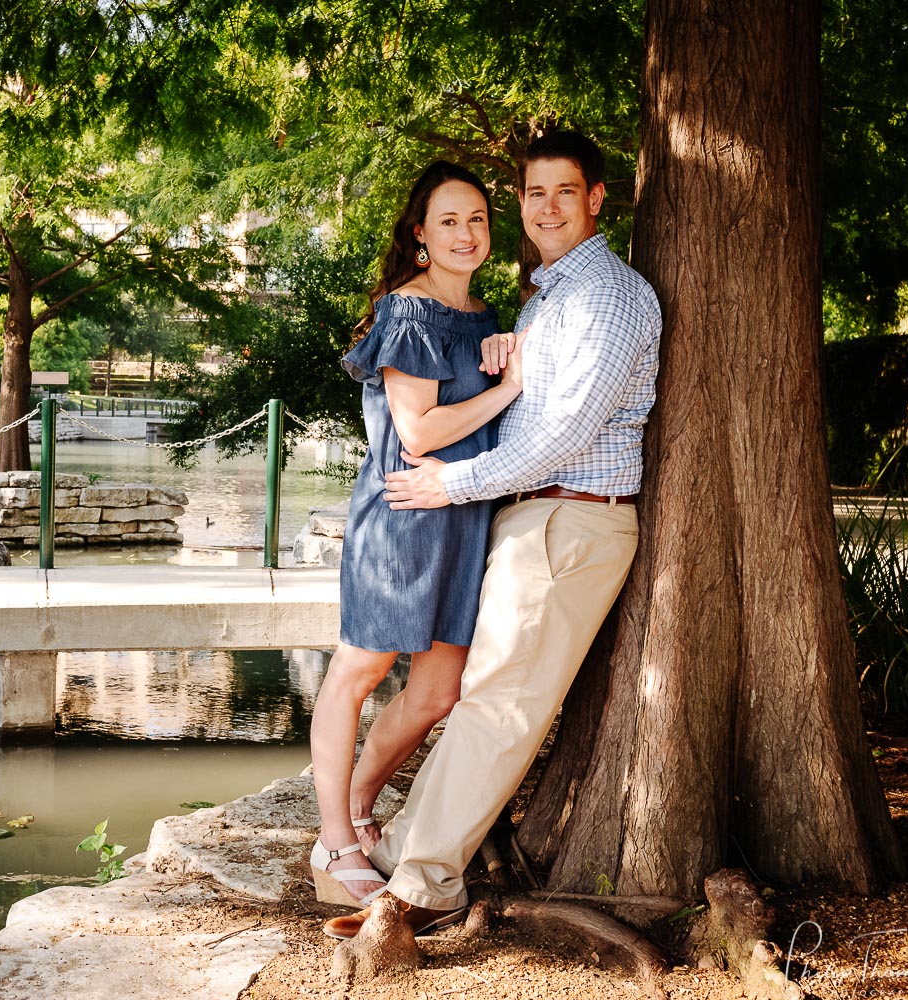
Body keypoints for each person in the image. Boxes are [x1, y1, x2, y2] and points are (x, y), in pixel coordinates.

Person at [322, 131, 663, 938]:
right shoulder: (545, 296)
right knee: (477, 697)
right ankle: (389, 850)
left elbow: (566, 432)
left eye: (565, 192)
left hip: (565, 511)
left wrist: (455, 481)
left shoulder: (604, 295)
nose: (547, 207)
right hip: (511, 513)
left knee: (489, 703)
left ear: (597, 198)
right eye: (534, 193)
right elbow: (485, 407)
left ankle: (420, 887)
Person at [308, 161, 525, 907]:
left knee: (436, 694)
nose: (468, 234)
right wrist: (508, 388)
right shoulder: (410, 312)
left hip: (465, 517)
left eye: (478, 220)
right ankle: (335, 839)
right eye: (449, 222)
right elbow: (420, 431)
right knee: (359, 673)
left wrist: (502, 353)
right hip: (403, 516)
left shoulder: (481, 313)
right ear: (420, 236)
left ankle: (361, 797)